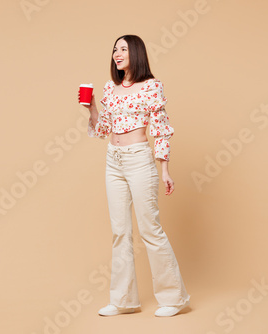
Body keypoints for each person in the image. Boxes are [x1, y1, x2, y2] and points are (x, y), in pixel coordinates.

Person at [77, 34, 191, 317]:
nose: (117, 54)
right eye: (115, 49)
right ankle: (124, 300)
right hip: (113, 161)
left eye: (124, 49)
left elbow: (161, 128)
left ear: (136, 53)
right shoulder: (110, 88)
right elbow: (102, 129)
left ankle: (174, 299)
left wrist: (164, 169)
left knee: (150, 229)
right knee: (120, 232)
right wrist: (90, 107)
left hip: (139, 160)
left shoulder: (151, 86)